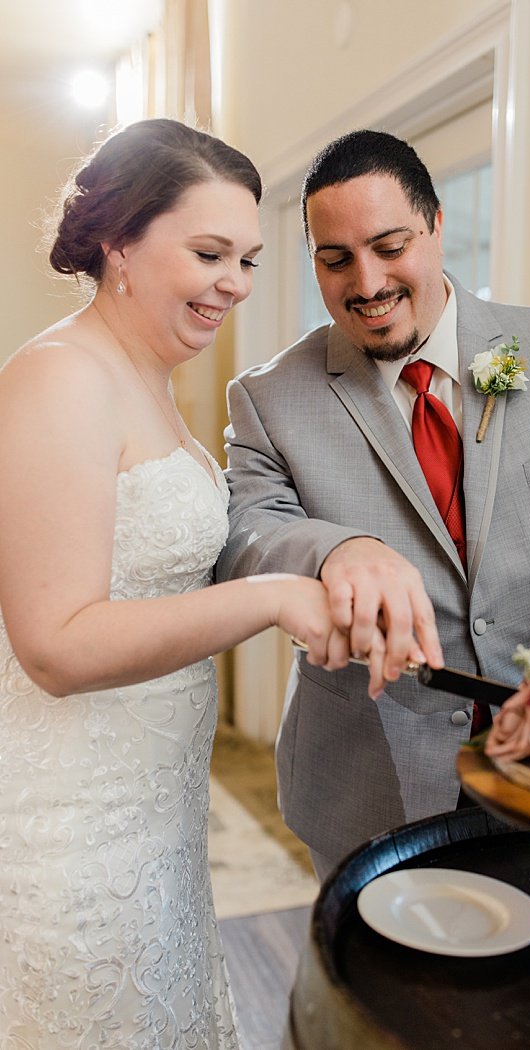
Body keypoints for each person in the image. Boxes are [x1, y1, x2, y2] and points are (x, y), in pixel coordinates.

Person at [217, 130, 530, 878]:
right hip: (367, 781)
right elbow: (245, 532)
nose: (367, 283)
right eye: (335, 260)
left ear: (436, 226)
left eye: (390, 247)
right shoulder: (269, 397)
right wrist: (335, 550)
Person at [0, 119, 349, 1046]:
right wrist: (271, 599)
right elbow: (55, 645)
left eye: (248, 260)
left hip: (155, 821)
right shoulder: (60, 379)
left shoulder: (145, 377)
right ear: (119, 243)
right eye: (209, 253)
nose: (236, 283)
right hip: (74, 840)